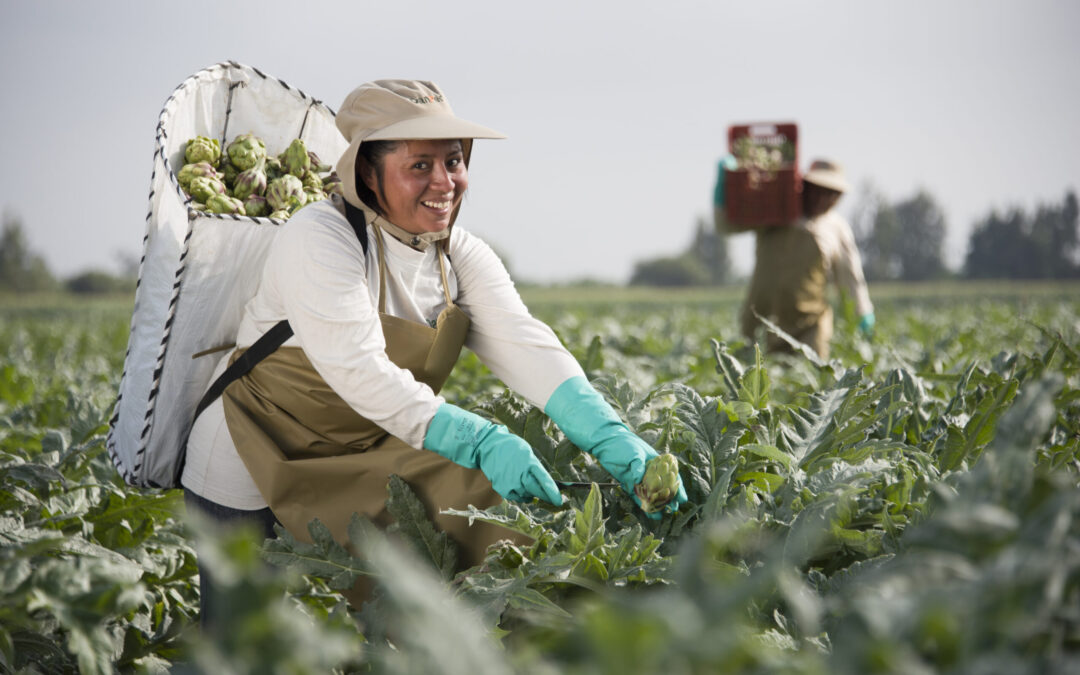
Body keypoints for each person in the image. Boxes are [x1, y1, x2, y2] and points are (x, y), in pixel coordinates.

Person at [180, 79, 686, 621]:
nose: (444, 182)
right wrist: (483, 439)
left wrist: (611, 436)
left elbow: (526, 344)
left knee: (390, 610)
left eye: (454, 161)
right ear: (367, 174)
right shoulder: (321, 238)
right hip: (248, 452)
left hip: (356, 453)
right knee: (236, 641)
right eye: (419, 165)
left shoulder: (459, 254)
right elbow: (360, 371)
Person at [718, 158, 874, 359]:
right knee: (751, 377)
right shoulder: (777, 213)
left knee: (814, 377)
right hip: (762, 317)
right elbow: (728, 226)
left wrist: (862, 313)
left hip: (810, 324)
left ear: (838, 197)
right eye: (816, 190)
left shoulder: (836, 228)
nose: (822, 199)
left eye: (830, 194)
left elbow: (849, 276)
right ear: (803, 187)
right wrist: (723, 194)